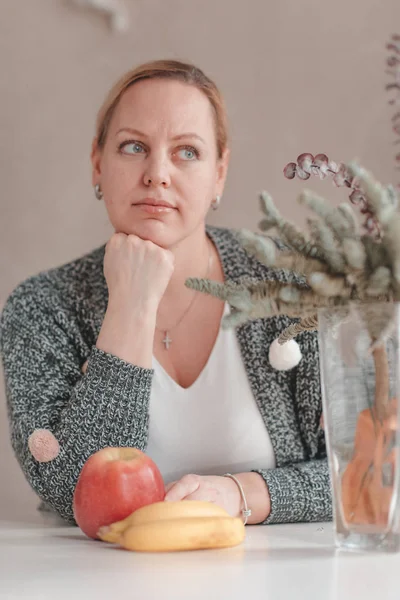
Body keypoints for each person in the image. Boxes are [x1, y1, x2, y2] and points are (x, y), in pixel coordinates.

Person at [0, 60, 331, 526]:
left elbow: (368, 469)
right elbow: (67, 490)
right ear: (98, 163)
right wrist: (130, 309)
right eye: (134, 147)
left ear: (220, 172)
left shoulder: (291, 282)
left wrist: (241, 494)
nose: (157, 173)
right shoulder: (41, 307)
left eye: (187, 152)